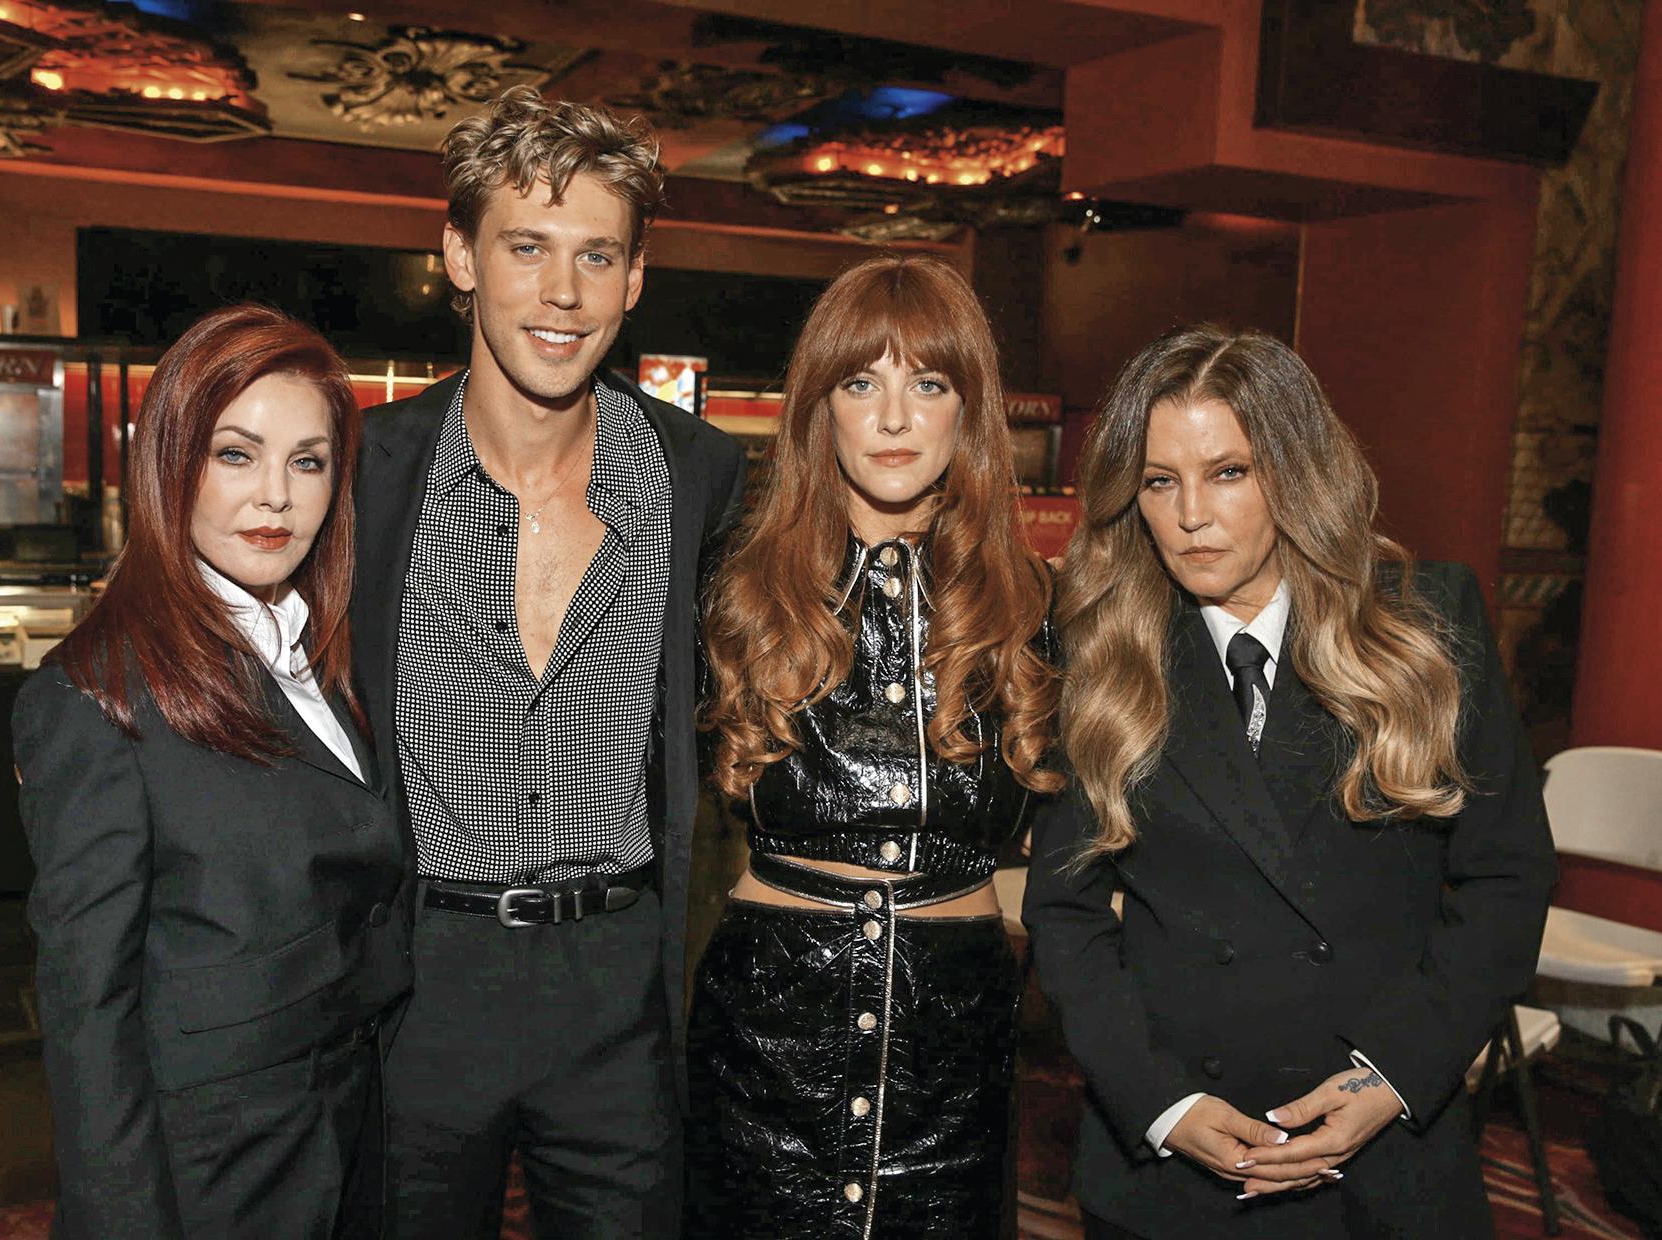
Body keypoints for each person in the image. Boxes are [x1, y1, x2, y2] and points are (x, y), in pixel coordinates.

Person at [1024, 325, 1557, 1239]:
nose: (1191, 514)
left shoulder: (1424, 624)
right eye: (1159, 481)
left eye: (1227, 472)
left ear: (1295, 473)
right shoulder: (1102, 651)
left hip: (1386, 1145)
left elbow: (1504, 877)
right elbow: (1065, 913)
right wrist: (1159, 1103)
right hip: (1173, 1149)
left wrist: (1392, 1077)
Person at [352, 86, 745, 1239]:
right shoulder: (365, 474)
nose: (563, 292)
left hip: (620, 985)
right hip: (421, 976)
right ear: (459, 256)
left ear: (635, 278)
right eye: (527, 247)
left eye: (596, 255)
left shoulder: (698, 476)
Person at [13, 304, 409, 1239]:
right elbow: (87, 1008)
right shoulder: (93, 694)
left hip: (353, 1123)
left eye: (307, 462)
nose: (275, 496)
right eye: (236, 454)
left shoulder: (320, 656)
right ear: (171, 461)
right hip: (214, 1169)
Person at [688, 252, 1063, 1239]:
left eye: (927, 384)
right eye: (861, 384)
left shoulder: (1036, 609)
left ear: (968, 410)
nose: (894, 418)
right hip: (766, 1028)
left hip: (955, 1040)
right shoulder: (731, 591)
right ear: (821, 408)